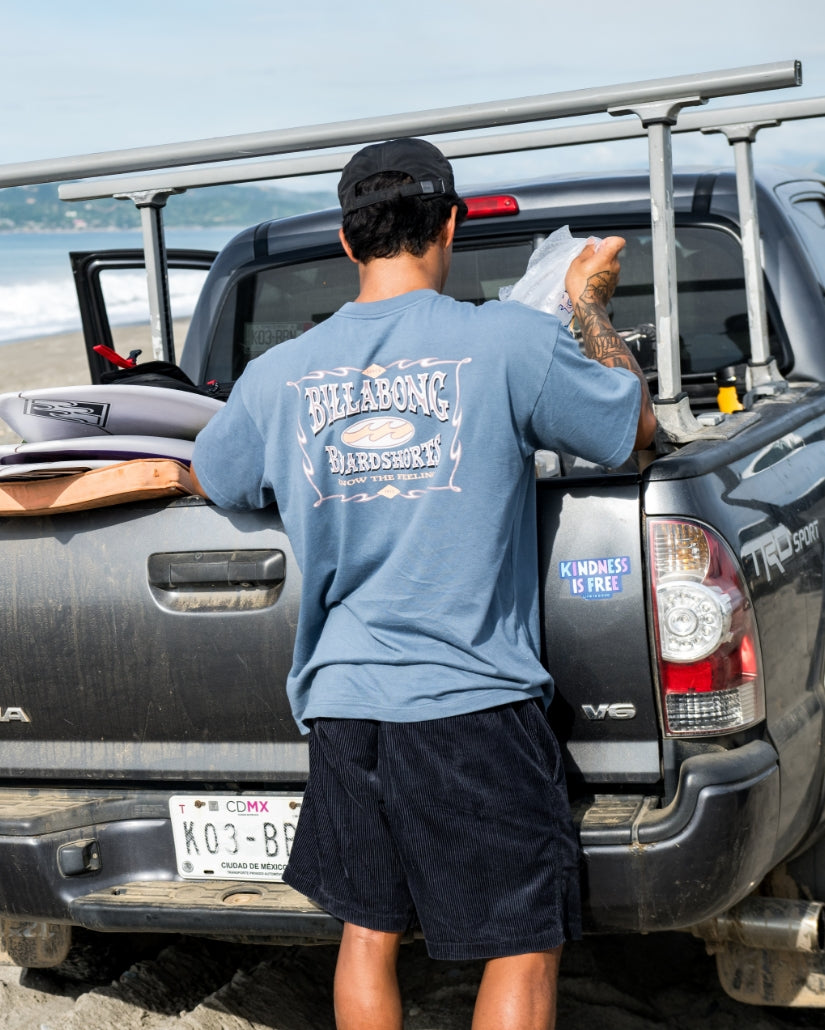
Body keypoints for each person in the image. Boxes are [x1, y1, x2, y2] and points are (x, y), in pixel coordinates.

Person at [190, 137, 656, 1030]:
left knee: (368, 931)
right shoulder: (506, 342)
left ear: (345, 239)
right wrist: (586, 307)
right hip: (468, 700)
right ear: (449, 223)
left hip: (343, 705)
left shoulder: (278, 375)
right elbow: (629, 425)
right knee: (519, 939)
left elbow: (216, 475)